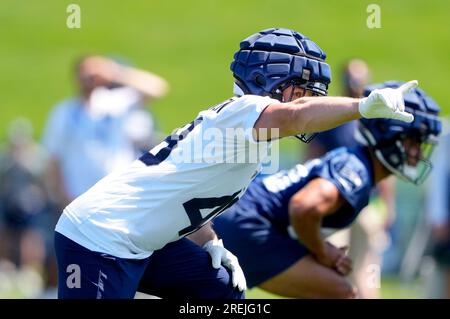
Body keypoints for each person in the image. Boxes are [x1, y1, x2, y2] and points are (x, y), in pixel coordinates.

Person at [54, 28, 416, 299]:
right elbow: (299, 115)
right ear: (267, 79)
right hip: (100, 238)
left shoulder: (246, 133)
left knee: (223, 292)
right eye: (300, 88)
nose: (307, 97)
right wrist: (362, 107)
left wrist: (211, 241)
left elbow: (185, 194)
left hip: (142, 240)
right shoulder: (244, 111)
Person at [213, 81, 442, 298]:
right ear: (391, 136)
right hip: (249, 223)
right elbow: (304, 206)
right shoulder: (356, 170)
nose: (419, 155)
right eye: (414, 143)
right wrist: (322, 251)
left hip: (245, 219)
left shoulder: (358, 164)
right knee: (341, 291)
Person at [42, 55, 169, 208]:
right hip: (79, 200)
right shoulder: (64, 112)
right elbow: (54, 159)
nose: (90, 76)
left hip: (119, 195)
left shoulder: (116, 101)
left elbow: (157, 88)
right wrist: (63, 199)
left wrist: (117, 72)